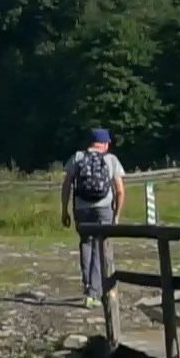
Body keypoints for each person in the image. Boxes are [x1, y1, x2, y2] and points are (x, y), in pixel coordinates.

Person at [61, 128, 126, 309]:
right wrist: (117, 215)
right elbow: (120, 191)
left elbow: (66, 185)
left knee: (86, 244)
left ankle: (88, 283)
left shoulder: (78, 158)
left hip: (81, 209)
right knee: (101, 247)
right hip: (104, 209)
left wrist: (64, 210)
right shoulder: (111, 159)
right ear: (105, 144)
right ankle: (94, 293)